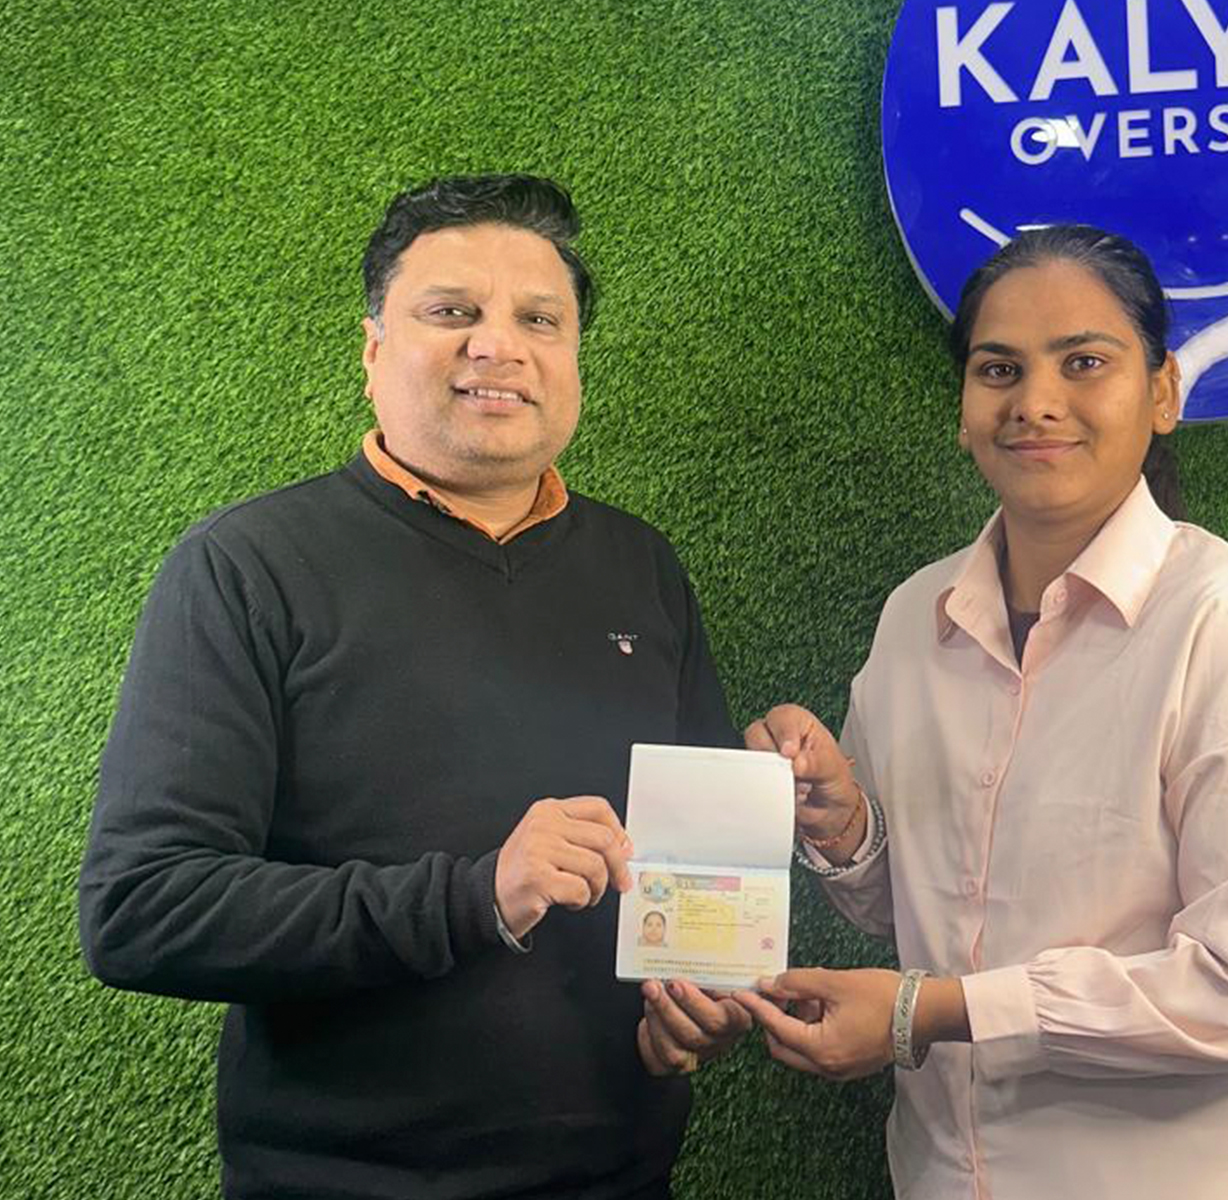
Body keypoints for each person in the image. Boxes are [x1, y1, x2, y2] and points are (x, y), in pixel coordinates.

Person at [79, 174, 750, 1200]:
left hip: (622, 1176)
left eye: (539, 319)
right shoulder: (247, 567)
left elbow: (694, 877)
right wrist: (474, 898)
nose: (499, 346)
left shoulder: (640, 567)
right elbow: (143, 908)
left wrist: (697, 1004)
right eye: (451, 312)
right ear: (373, 349)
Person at [739, 225, 1228, 1200]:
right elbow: (916, 912)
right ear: (964, 410)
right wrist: (844, 824)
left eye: (1083, 362)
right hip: (944, 1172)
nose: (1034, 402)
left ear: (1162, 393)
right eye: (999, 370)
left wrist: (932, 1013)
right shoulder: (916, 620)